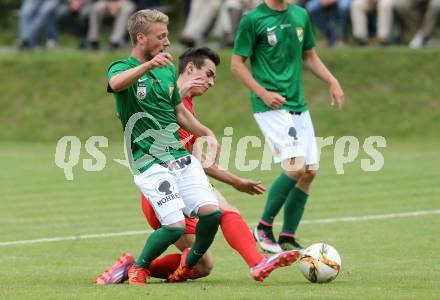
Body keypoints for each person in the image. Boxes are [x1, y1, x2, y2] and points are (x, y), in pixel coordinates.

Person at [96, 47, 301, 285]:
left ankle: (132, 268)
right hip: (160, 185)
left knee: (204, 266)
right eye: (209, 74)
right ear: (191, 69)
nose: (211, 83)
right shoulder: (168, 96)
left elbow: (196, 161)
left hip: (181, 176)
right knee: (225, 210)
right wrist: (235, 181)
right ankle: (257, 263)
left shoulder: (185, 106)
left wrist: (234, 178)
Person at [107, 10, 223, 285]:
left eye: (167, 36)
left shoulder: (168, 70)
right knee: (175, 227)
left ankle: (187, 265)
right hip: (148, 161)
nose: (167, 42)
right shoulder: (120, 67)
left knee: (213, 213)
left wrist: (207, 133)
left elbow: (179, 112)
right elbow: (115, 84)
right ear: (140, 38)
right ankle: (139, 268)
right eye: (161, 37)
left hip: (178, 157)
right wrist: (147, 66)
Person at [231, 0, 345, 253]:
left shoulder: (300, 15)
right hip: (270, 106)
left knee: (309, 172)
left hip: (298, 105)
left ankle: (287, 236)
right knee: (295, 167)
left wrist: (332, 80)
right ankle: (262, 227)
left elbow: (310, 56)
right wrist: (262, 92)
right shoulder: (253, 19)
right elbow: (237, 63)